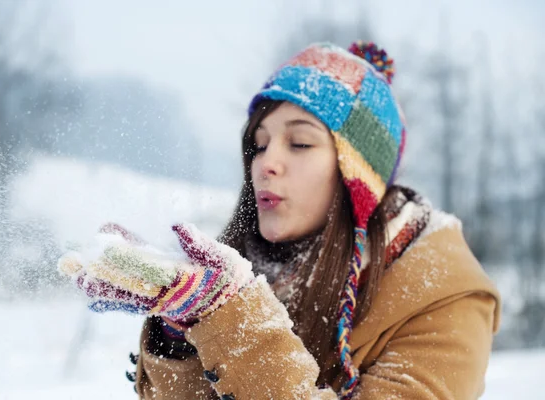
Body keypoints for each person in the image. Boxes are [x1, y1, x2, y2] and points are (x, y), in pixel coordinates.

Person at [58, 41, 501, 399]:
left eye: (301, 144)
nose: (265, 164)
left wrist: (233, 321)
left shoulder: (446, 295)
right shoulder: (246, 268)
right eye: (260, 144)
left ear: (357, 176)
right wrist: (181, 329)